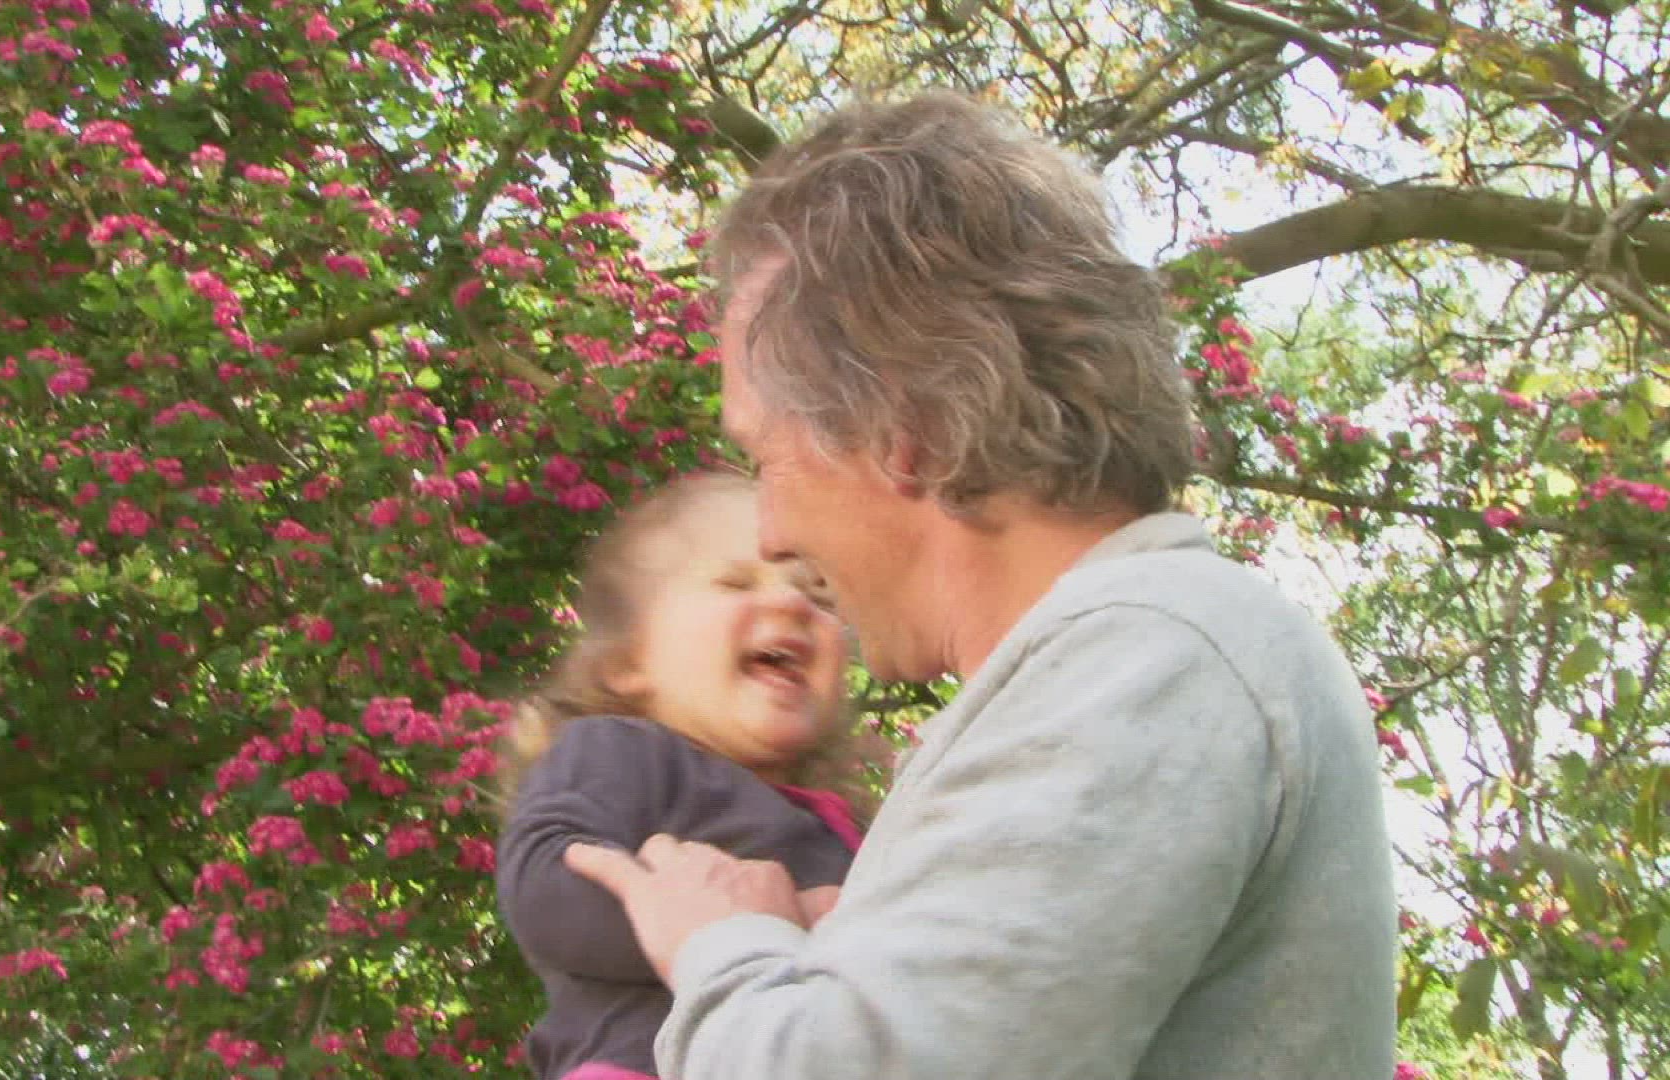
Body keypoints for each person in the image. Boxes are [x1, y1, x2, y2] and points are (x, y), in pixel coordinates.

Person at [563, 93, 1399, 1079]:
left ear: (901, 430)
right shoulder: (1137, 663)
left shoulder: (1150, 658)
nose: (776, 531)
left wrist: (721, 943)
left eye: (768, 458)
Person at [493, 471, 884, 1080]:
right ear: (628, 662)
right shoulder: (620, 749)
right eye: (735, 582)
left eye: (818, 593)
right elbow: (546, 883)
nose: (792, 604)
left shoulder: (853, 826)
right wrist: (760, 923)